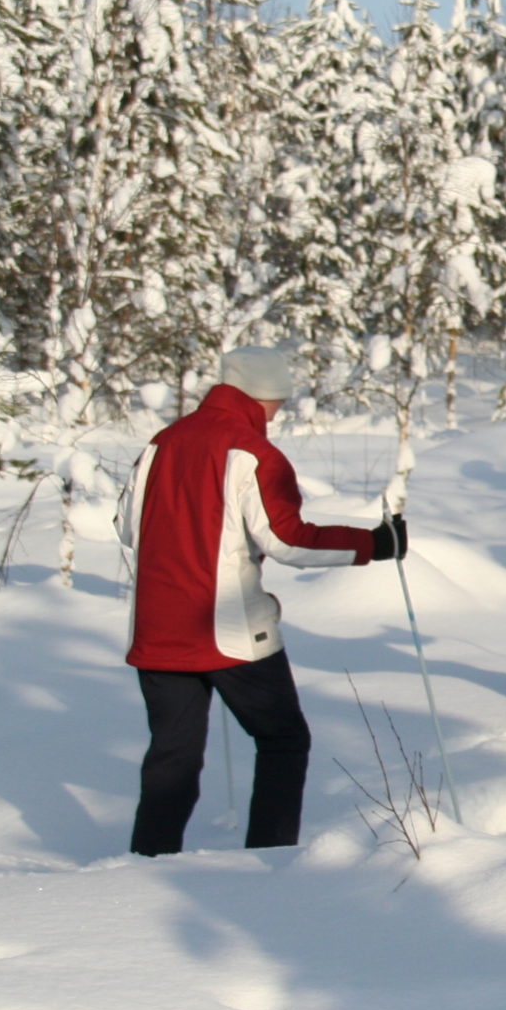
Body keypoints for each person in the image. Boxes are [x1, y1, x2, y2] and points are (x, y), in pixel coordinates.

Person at [117, 345, 403, 856]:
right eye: (277, 399)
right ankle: (270, 863)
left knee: (172, 756)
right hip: (229, 629)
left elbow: (125, 527)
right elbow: (287, 540)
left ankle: (148, 864)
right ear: (260, 396)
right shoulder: (251, 453)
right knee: (283, 741)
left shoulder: (161, 443)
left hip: (158, 629)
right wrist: (375, 544)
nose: (279, 410)